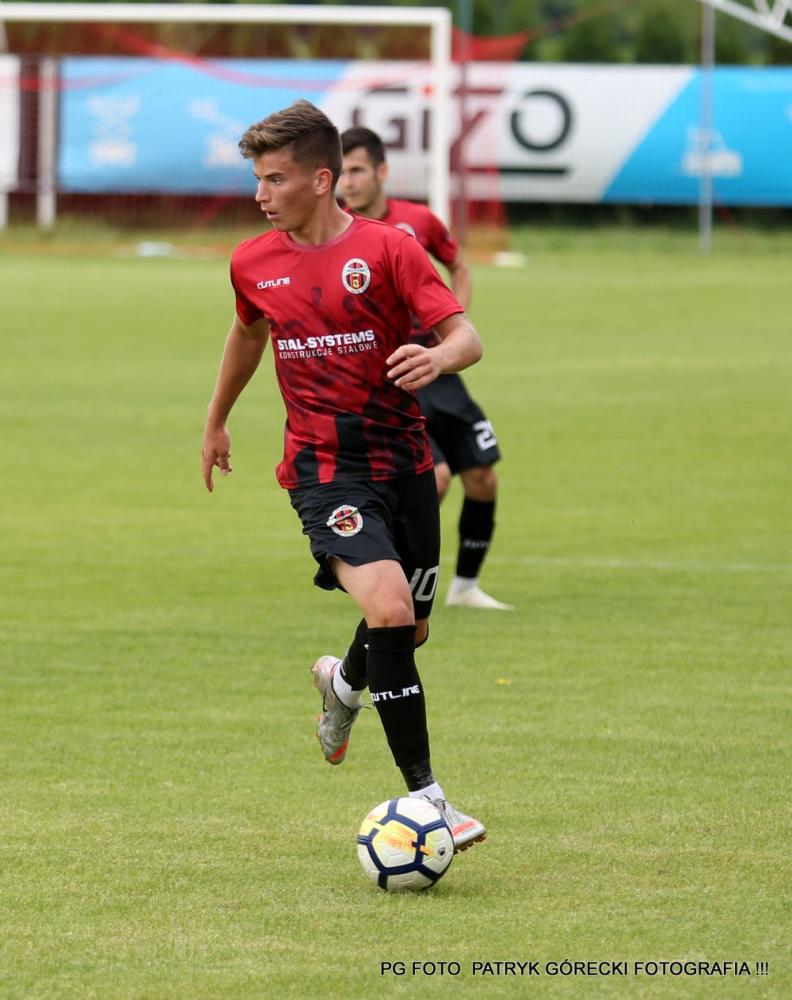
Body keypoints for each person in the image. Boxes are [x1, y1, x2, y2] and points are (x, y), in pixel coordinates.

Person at [201, 100, 485, 852]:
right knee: (389, 609)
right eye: (258, 179)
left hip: (405, 463)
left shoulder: (390, 249)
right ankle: (430, 800)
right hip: (323, 471)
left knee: (410, 629)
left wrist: (439, 356)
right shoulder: (252, 262)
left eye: (275, 179)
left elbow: (466, 335)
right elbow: (247, 334)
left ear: (321, 179)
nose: (261, 195)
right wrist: (216, 418)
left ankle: (343, 685)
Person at [339, 126, 513, 611]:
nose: (348, 182)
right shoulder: (336, 231)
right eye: (342, 172)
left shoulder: (418, 221)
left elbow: (460, 266)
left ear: (382, 171)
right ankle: (387, 578)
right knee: (434, 478)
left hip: (438, 368)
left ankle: (465, 588)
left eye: (357, 170)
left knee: (483, 477)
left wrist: (453, 329)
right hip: (389, 377)